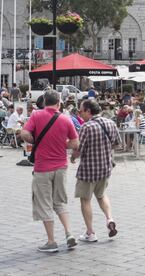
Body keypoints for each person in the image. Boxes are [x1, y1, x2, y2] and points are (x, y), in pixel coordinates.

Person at [20, 90, 79, 252]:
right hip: (61, 167)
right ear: (59, 103)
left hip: (43, 167)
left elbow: (24, 133)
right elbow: (75, 144)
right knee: (59, 201)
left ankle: (51, 241)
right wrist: (62, 143)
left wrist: (35, 139)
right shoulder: (66, 119)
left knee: (44, 203)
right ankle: (69, 233)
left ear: (45, 102)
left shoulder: (37, 115)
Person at [71, 100, 121, 242]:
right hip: (105, 167)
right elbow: (117, 144)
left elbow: (79, 149)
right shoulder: (110, 123)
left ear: (88, 111)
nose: (80, 114)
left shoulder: (86, 127)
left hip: (88, 170)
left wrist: (72, 157)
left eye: (80, 111)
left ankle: (90, 232)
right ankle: (109, 219)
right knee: (101, 194)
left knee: (85, 200)